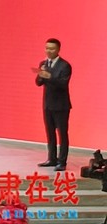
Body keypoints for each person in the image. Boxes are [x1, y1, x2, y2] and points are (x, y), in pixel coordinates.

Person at [36, 38, 73, 171]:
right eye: (47, 48)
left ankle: (62, 162)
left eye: (52, 49)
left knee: (62, 133)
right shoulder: (43, 63)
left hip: (61, 106)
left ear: (58, 50)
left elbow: (63, 84)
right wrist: (41, 75)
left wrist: (48, 76)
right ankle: (52, 159)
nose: (49, 51)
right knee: (50, 133)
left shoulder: (65, 65)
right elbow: (38, 82)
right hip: (48, 104)